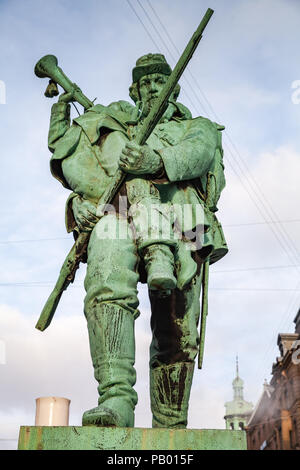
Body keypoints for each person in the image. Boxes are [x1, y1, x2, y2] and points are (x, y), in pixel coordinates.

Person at [47, 53, 228, 428]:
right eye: (143, 84)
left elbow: (199, 155)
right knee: (105, 282)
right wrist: (78, 202)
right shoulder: (113, 121)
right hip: (120, 211)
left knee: (177, 323)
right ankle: (115, 399)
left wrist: (155, 161)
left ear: (172, 87)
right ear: (133, 91)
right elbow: (87, 168)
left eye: (158, 82)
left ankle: (171, 420)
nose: (150, 89)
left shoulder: (198, 125)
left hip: (187, 219)